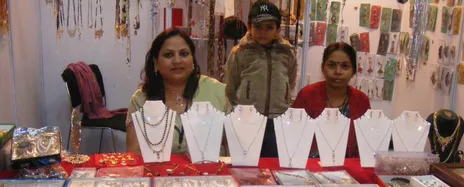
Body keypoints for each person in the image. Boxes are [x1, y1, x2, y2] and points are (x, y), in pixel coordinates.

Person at [126, 27, 229, 156]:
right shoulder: (141, 100)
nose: (177, 61)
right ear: (156, 63)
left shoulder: (218, 92)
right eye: (168, 55)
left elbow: (233, 150)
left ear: (192, 60)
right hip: (158, 174)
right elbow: (134, 153)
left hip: (212, 174)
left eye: (184, 54)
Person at [224, 0, 297, 157]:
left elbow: (290, 80)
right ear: (249, 28)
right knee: (247, 160)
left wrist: (283, 99)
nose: (263, 32)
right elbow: (231, 84)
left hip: (278, 118)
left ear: (277, 30)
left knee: (274, 161)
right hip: (248, 117)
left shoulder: (287, 53)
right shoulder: (240, 52)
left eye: (269, 27)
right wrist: (240, 108)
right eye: (257, 27)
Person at [293, 42, 371, 158]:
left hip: (348, 168)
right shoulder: (307, 95)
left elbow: (365, 145)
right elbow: (292, 136)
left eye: (345, 66)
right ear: (322, 68)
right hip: (309, 166)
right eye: (332, 65)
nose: (338, 72)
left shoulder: (361, 100)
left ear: (354, 71)